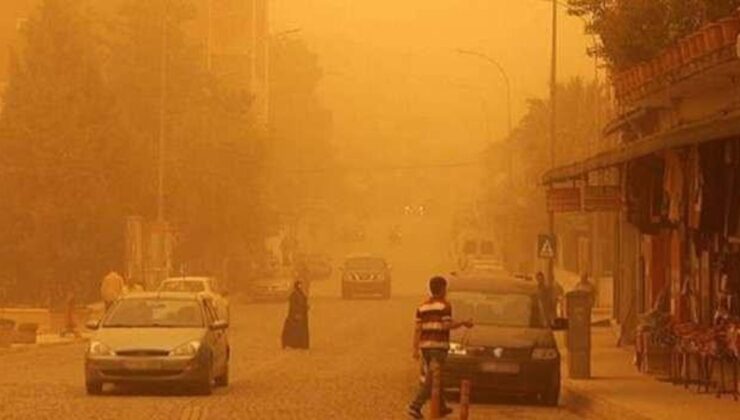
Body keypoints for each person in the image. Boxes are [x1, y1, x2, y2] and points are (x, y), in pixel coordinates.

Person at [407, 276, 473, 419]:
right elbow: (447, 325)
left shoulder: (422, 307)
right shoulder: (445, 306)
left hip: (425, 348)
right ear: (443, 289)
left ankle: (441, 406)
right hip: (438, 348)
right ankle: (415, 406)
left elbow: (418, 329)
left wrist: (415, 349)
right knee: (431, 379)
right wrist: (463, 323)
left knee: (436, 376)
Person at [281, 281, 310, 349]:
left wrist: (306, 307)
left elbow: (303, 302)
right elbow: (293, 306)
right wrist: (296, 314)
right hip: (296, 316)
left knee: (300, 330)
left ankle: (300, 343)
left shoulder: (301, 294)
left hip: (302, 316)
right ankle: (293, 343)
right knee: (294, 330)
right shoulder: (294, 295)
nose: (300, 287)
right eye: (299, 285)